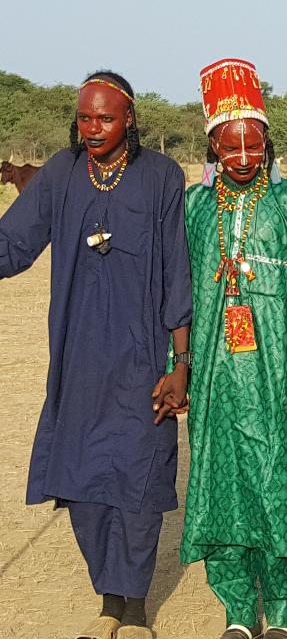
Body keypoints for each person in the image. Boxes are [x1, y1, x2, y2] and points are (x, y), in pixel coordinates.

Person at [0, 71, 192, 639]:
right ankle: (108, 601)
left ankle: (134, 611)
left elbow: (176, 271)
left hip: (143, 356)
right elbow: (14, 243)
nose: (93, 128)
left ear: (129, 118)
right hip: (78, 357)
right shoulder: (61, 172)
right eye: (85, 117)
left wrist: (180, 363)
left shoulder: (161, 176)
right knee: (81, 480)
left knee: (138, 480)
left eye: (105, 117)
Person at [182, 59, 287, 639]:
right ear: (213, 147)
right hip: (215, 373)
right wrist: (179, 366)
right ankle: (239, 612)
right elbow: (181, 292)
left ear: (267, 145)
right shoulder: (196, 207)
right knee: (222, 490)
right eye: (230, 145)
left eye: (254, 144)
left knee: (279, 483)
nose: (243, 156)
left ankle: (284, 614)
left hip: (275, 371)